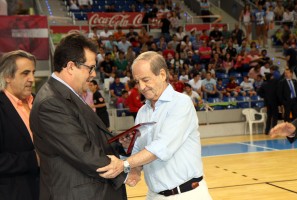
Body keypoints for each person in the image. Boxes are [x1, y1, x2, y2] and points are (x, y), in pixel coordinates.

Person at [29, 33, 139, 200]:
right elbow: (82, 151)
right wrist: (123, 172)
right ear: (71, 66)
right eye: (90, 67)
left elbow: (87, 136)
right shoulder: (51, 102)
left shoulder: (65, 96)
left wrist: (117, 141)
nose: (93, 74)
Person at [97, 51, 212, 200]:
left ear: (162, 75)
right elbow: (138, 150)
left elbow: (162, 147)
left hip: (187, 194)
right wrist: (134, 165)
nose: (142, 87)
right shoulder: (142, 112)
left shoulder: (181, 103)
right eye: (137, 82)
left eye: (146, 80)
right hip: (154, 195)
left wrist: (124, 164)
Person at [0, 50, 39, 200]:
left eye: (33, 73)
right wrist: (34, 159)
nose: (32, 79)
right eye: (25, 73)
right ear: (8, 76)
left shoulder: (38, 103)